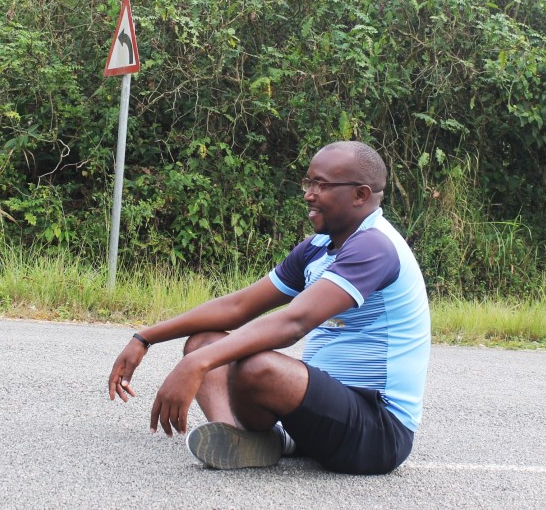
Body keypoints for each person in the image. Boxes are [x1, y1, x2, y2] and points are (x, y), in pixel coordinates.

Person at [107, 140, 431, 475]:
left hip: (377, 431)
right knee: (204, 341)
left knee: (255, 367)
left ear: (360, 195)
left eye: (322, 185)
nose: (309, 195)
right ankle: (238, 438)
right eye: (308, 183)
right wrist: (146, 337)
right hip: (324, 412)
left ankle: (264, 437)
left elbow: (294, 322)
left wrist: (196, 365)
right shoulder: (318, 247)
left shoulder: (375, 246)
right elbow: (238, 306)